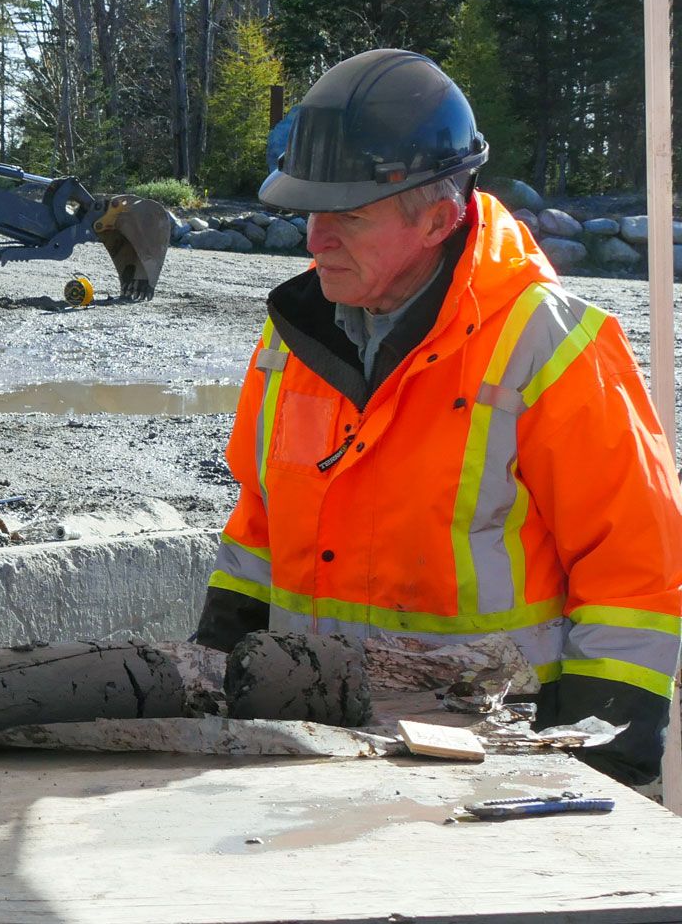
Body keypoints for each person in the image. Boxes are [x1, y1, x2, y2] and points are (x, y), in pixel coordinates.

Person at [196, 48, 682, 784]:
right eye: (310, 211)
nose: (314, 239)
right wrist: (217, 662)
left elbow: (637, 573)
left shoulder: (548, 344)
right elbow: (259, 527)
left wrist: (597, 755)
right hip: (314, 741)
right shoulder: (293, 335)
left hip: (496, 755)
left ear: (437, 219)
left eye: (348, 216)